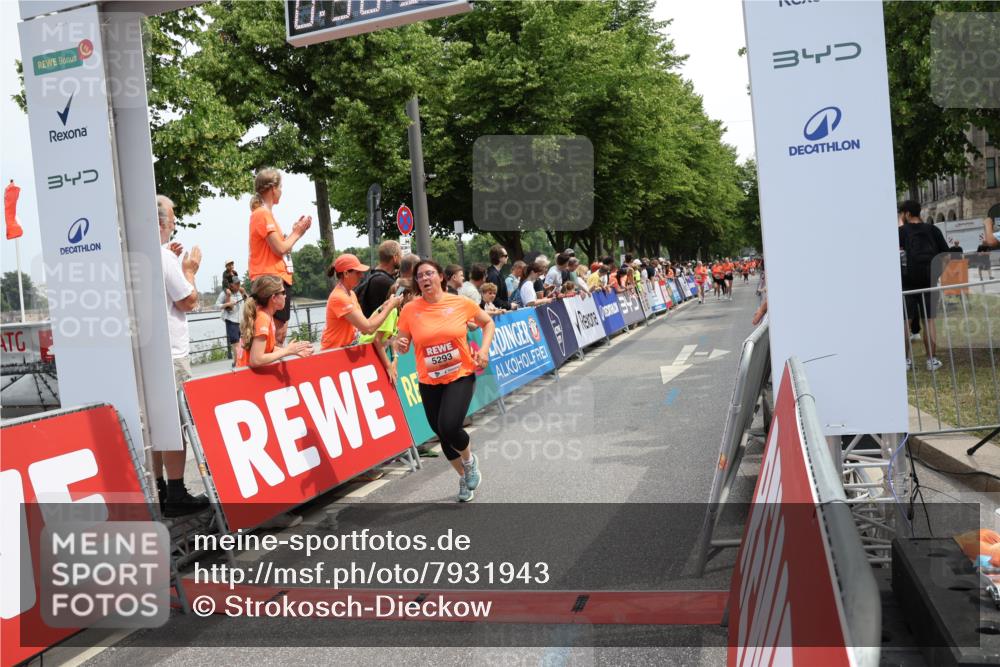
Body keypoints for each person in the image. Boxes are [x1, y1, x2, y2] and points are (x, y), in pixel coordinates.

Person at [393, 259, 496, 502]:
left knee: (450, 426)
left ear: (440, 277)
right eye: (420, 276)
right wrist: (400, 344)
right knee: (441, 431)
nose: (425, 279)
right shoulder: (410, 309)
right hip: (429, 380)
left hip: (460, 374)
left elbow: (487, 322)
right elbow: (403, 343)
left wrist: (483, 350)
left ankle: (469, 462)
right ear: (417, 282)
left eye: (429, 274)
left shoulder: (460, 303)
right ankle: (464, 476)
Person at [155, 195, 211, 517]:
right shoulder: (163, 258)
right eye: (173, 216)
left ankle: (162, 488)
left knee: (157, 426)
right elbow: (188, 300)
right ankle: (177, 491)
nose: (176, 222)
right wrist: (189, 270)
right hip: (173, 354)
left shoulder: (144, 255)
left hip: (150, 352)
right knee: (176, 424)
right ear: (162, 222)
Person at [247, 168, 312, 346]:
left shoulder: (265, 214)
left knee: (279, 333)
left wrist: (293, 232)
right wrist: (298, 232)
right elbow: (280, 248)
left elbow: (280, 247)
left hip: (275, 278)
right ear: (272, 188)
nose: (282, 191)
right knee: (273, 336)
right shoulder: (262, 214)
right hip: (270, 279)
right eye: (280, 187)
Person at [899, 200, 950, 371]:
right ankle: (931, 360)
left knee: (905, 322)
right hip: (929, 281)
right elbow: (946, 256)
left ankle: (905, 361)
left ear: (906, 214)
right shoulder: (933, 229)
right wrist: (936, 275)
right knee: (929, 321)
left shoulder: (900, 232)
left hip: (907, 283)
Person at [321, 253, 402, 351]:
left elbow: (365, 326)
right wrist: (390, 306)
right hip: (332, 354)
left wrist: (383, 307)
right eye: (357, 272)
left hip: (343, 351)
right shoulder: (339, 297)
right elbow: (368, 329)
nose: (362, 275)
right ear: (346, 273)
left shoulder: (351, 293)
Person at [237, 275, 314, 368]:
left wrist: (294, 351)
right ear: (273, 298)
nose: (286, 296)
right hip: (246, 377)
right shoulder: (263, 318)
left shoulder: (265, 314)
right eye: (283, 292)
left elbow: (269, 349)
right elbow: (256, 360)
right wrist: (287, 351)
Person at [357, 240, 401, 317]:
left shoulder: (372, 275)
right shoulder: (385, 282)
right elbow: (400, 302)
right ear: (395, 258)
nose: (402, 258)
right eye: (401, 256)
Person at [215, 274, 244, 367]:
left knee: (241, 342)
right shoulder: (224, 293)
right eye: (236, 284)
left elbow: (247, 299)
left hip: (241, 321)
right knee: (235, 343)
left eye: (239, 283)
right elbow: (216, 306)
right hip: (231, 321)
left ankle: (237, 361)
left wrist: (245, 294)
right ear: (231, 284)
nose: (239, 285)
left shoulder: (240, 291)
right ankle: (237, 363)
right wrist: (227, 304)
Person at [485, 244, 511, 309]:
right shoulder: (493, 275)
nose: (507, 257)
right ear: (499, 258)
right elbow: (493, 298)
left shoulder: (497, 272)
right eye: (505, 256)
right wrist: (509, 306)